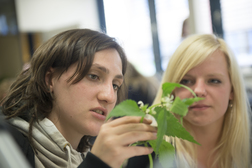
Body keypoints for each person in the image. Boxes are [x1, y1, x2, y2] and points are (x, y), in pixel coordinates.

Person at [0, 29, 157, 168]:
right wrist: (97, 163)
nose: (109, 96)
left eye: (115, 85)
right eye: (93, 76)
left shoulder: (85, 153)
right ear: (49, 80)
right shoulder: (7, 143)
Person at [127, 34, 251, 168]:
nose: (198, 90)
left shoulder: (247, 146)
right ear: (171, 91)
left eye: (214, 81)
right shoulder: (148, 149)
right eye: (185, 81)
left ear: (232, 90)